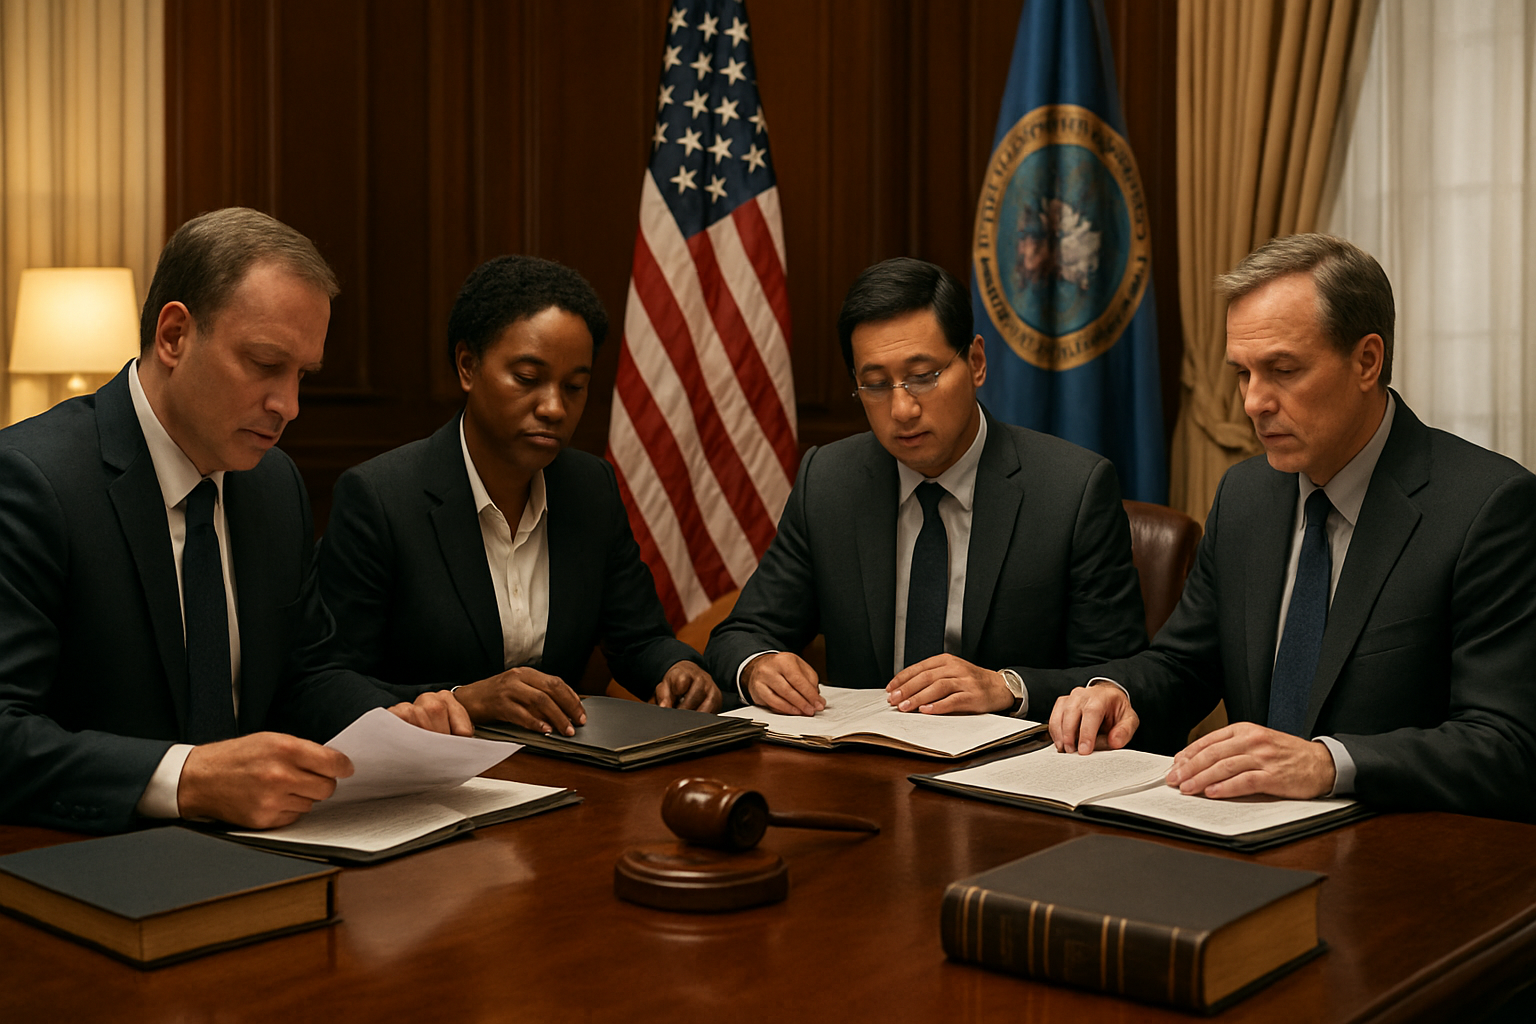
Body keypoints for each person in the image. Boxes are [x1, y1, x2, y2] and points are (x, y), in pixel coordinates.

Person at [0, 207, 466, 834]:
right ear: (174, 336)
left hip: (267, 855)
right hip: (86, 862)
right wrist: (188, 778)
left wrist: (391, 721)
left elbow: (305, 674)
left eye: (302, 375)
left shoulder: (273, 485)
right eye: (265, 364)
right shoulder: (32, 480)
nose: (289, 406)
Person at [1047, 233, 1536, 820]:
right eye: (1242, 374)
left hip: (1397, 854)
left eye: (1282, 369)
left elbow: (1506, 746)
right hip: (1240, 835)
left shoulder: (1487, 507)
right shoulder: (1247, 493)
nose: (1253, 402)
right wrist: (1117, 693)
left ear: (1367, 361)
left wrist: (1328, 764)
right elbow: (1185, 664)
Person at [705, 257, 1147, 717]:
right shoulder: (829, 482)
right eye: (875, 385)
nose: (901, 409)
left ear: (975, 362)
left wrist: (1010, 688)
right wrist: (759, 666)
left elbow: (1120, 678)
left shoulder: (1071, 491)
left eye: (923, 377)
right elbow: (739, 636)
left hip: (1006, 772)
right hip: (861, 769)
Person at [318, 255, 720, 737]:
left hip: (563, 767)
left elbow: (638, 639)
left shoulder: (589, 487)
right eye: (528, 379)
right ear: (468, 366)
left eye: (575, 387)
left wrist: (677, 668)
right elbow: (330, 683)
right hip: (433, 773)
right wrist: (463, 699)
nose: (554, 407)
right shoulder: (380, 498)